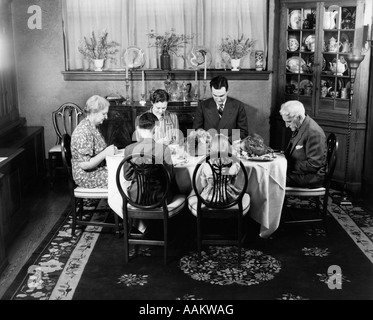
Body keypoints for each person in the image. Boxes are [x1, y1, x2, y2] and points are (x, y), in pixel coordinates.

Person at [124, 112, 176, 205]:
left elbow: (127, 176)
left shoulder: (129, 149)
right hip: (160, 198)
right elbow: (170, 176)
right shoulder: (164, 149)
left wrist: (141, 174)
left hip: (136, 198)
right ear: (156, 129)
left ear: (138, 130)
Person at [71, 95, 116, 188]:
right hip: (86, 176)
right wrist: (105, 153)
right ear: (94, 112)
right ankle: (119, 202)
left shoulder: (93, 126)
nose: (106, 117)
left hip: (97, 170)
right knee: (123, 176)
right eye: (104, 114)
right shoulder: (83, 131)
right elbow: (85, 165)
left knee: (126, 171)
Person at [280, 100, 327, 188]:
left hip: (312, 177)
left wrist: (288, 165)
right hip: (301, 172)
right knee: (271, 174)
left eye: (289, 121)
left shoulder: (314, 132)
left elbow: (314, 165)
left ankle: (276, 202)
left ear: (299, 117)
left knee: (273, 178)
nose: (286, 125)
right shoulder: (301, 125)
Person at [192, 75, 248, 142]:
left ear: (227, 92)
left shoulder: (238, 106)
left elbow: (243, 132)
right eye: (215, 95)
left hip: (230, 147)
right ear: (211, 92)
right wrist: (202, 134)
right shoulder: (203, 106)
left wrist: (227, 140)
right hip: (208, 147)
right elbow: (196, 129)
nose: (218, 99)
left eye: (221, 96)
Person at [199, 134, 241, 203]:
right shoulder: (233, 164)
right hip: (227, 197)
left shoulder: (206, 164)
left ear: (211, 149)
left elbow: (203, 183)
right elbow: (234, 181)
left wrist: (209, 187)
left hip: (210, 198)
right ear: (228, 148)